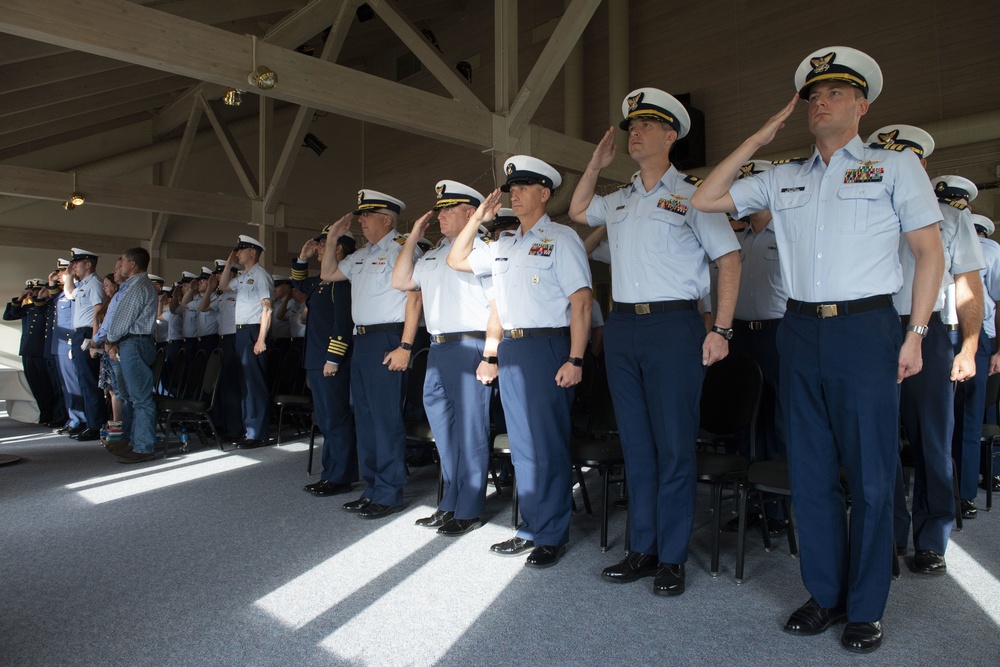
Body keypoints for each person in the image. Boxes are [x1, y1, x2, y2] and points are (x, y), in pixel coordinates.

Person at [690, 46, 944, 653]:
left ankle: (865, 606)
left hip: (866, 330)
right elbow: (706, 198)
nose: (818, 101)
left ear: (861, 104)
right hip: (798, 330)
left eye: (833, 92)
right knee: (808, 471)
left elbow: (929, 253)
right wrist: (757, 136)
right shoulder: (783, 178)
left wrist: (916, 332)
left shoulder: (892, 167)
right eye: (811, 95)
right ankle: (825, 594)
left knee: (872, 475)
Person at [568, 87, 740, 594]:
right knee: (637, 447)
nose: (633, 133)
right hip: (623, 327)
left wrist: (722, 329)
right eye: (630, 127)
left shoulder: (695, 195)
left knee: (673, 447)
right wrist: (596, 165)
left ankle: (672, 556)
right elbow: (579, 210)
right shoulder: (617, 200)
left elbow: (728, 259)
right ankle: (640, 549)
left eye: (644, 126)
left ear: (671, 135)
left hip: (673, 326)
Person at [448, 156, 593, 569]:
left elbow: (582, 303)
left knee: (546, 445)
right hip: (512, 349)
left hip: (547, 347)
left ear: (545, 194)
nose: (515, 192)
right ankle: (530, 526)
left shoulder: (562, 239)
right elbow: (456, 259)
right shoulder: (503, 244)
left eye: (525, 186)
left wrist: (576, 358)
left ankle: (551, 532)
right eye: (513, 187)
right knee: (524, 450)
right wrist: (478, 218)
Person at [866, 125, 985, 575]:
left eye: (909, 159)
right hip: (873, 330)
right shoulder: (868, 210)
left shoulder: (950, 219)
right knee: (878, 440)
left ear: (923, 165)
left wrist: (968, 348)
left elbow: (968, 288)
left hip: (929, 331)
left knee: (931, 439)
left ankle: (932, 536)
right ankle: (892, 531)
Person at [393, 180, 499, 536]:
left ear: (471, 214)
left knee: (471, 432)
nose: (440, 215)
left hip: (470, 346)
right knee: (445, 434)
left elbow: (497, 307)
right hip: (438, 348)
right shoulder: (436, 253)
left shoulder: (482, 250)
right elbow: (401, 280)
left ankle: (468, 507)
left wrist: (490, 354)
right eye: (439, 209)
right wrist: (412, 237)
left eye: (448, 209)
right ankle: (450, 501)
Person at [320, 190, 423, 520]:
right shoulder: (362, 255)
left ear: (387, 220)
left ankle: (390, 491)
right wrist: (334, 236)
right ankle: (373, 486)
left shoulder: (403, 249)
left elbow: (414, 300)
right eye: (360, 216)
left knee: (385, 418)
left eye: (367, 215)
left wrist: (405, 346)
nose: (361, 220)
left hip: (387, 338)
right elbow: (327, 273)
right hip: (362, 341)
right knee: (364, 417)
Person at [293, 226, 358, 496]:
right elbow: (299, 284)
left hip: (330, 360)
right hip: (316, 358)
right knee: (326, 419)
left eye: (323, 245)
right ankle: (330, 472)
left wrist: (333, 357)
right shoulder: (323, 281)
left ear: (338, 248)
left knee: (336, 419)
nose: (319, 248)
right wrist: (302, 257)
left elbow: (342, 322)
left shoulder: (341, 281)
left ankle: (340, 476)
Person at [101, 248, 159, 463]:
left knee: (141, 399)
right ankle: (134, 442)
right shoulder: (135, 285)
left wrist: (110, 339)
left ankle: (144, 447)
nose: (120, 265)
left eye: (123, 261)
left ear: (133, 264)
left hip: (134, 342)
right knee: (135, 398)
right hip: (133, 342)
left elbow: (122, 320)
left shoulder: (138, 287)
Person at [220, 235, 274, 448]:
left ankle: (257, 433)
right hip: (241, 332)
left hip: (254, 331)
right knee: (245, 384)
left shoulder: (260, 276)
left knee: (254, 384)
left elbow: (267, 308)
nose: (238, 253)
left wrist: (261, 339)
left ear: (253, 252)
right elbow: (223, 286)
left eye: (242, 249)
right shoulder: (243, 276)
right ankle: (248, 429)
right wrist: (228, 265)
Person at [3, 279, 61, 426]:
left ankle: (51, 415)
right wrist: (20, 298)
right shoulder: (29, 307)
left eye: (36, 290)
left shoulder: (48, 306)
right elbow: (9, 315)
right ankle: (44, 414)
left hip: (41, 352)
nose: (34, 293)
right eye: (32, 291)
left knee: (46, 386)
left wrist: (41, 297)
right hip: (27, 351)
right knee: (35, 386)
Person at [65, 248, 108, 441]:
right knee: (83, 381)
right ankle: (88, 422)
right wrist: (68, 276)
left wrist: (94, 341)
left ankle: (96, 425)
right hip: (79, 334)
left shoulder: (94, 284)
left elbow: (98, 313)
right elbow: (70, 293)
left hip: (87, 334)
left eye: (77, 263)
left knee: (90, 382)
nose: (74, 266)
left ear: (88, 264)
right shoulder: (83, 284)